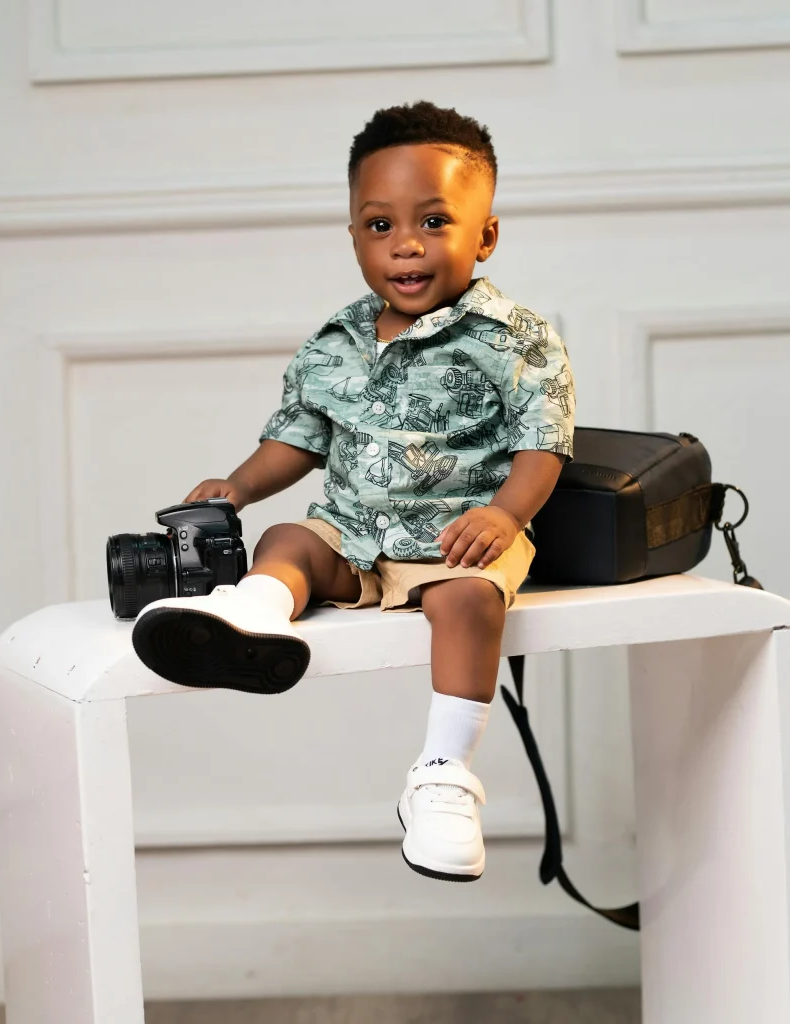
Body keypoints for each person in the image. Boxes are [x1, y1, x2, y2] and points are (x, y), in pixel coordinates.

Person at [132, 101, 575, 883]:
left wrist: (504, 514)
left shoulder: (516, 337)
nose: (405, 244)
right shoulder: (333, 341)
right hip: (353, 533)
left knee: (471, 603)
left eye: (434, 221)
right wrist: (235, 485)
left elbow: (543, 447)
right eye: (379, 226)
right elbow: (297, 439)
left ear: (486, 235)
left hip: (453, 541)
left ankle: (441, 778)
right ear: (353, 236)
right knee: (288, 543)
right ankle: (251, 618)